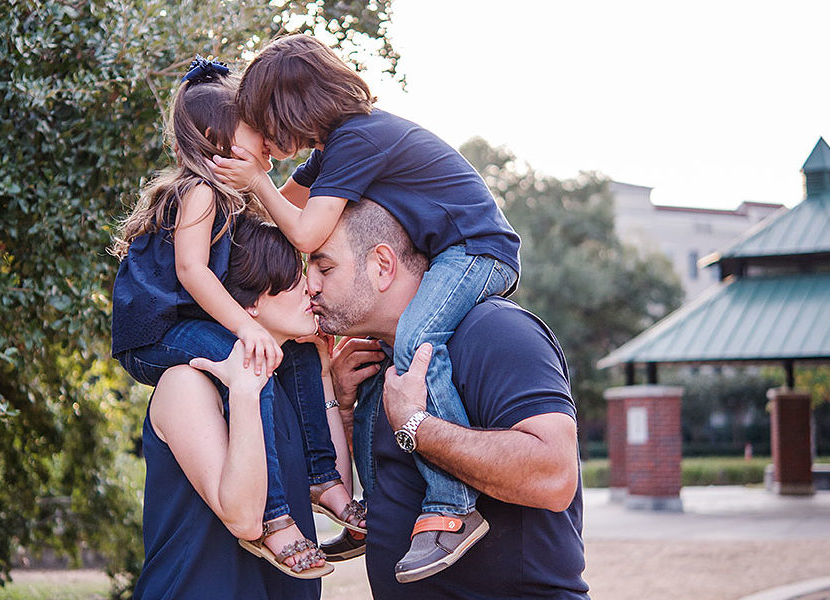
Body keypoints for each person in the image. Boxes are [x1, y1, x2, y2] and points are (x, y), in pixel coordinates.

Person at [212, 34, 520, 581]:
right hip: (450, 256)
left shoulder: (360, 137)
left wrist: (257, 178)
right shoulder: (330, 154)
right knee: (379, 371)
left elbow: (304, 232)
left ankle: (454, 509)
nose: (263, 135)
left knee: (416, 340)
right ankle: (378, 517)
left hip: (477, 250)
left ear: (290, 108)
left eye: (264, 122)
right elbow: (286, 208)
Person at [108, 57, 363, 578]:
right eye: (257, 129)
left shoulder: (235, 195)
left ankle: (322, 480)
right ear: (215, 137)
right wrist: (246, 328)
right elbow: (192, 270)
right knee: (249, 361)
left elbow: (298, 218)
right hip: (157, 331)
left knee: (290, 356)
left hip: (193, 324)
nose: (269, 138)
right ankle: (274, 521)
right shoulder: (198, 190)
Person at [310, 199, 589, 598]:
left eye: (324, 267)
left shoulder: (496, 330)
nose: (311, 285)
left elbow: (554, 475)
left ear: (382, 265)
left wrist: (416, 425)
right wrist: (346, 409)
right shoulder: (376, 358)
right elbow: (396, 488)